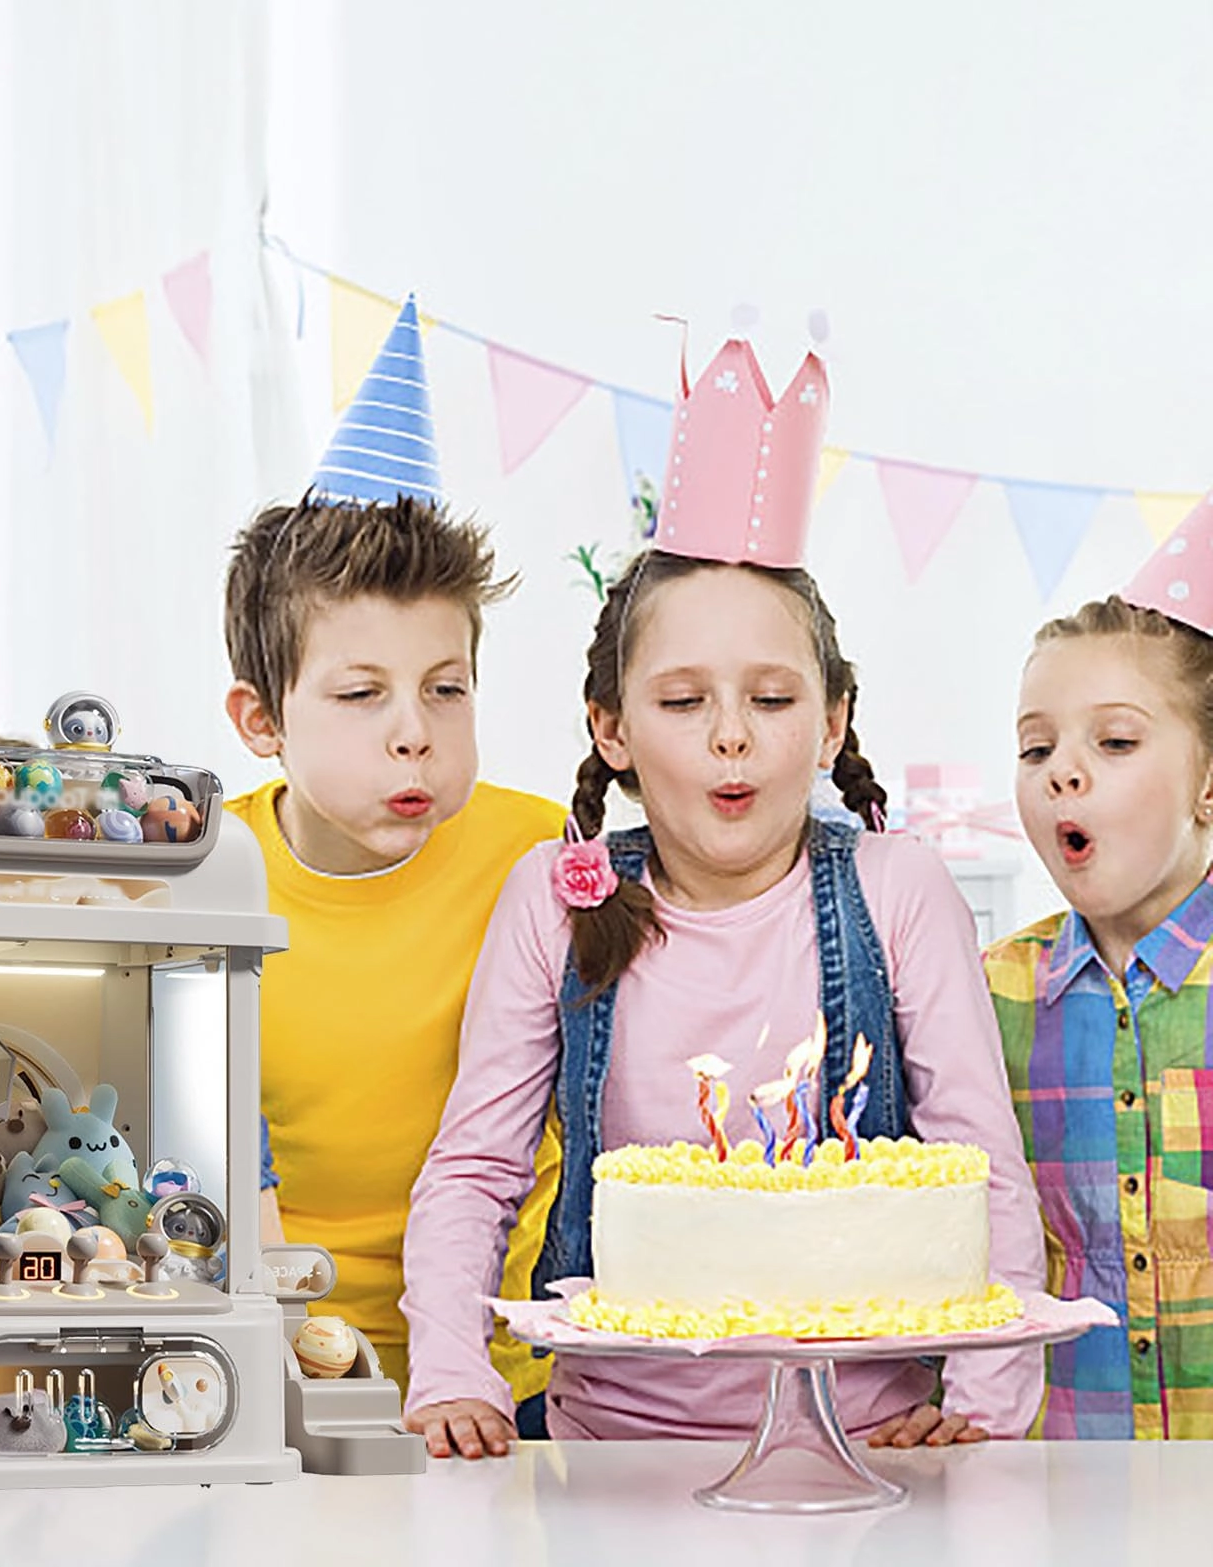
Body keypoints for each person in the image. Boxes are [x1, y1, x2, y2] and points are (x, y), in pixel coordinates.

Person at [401, 335, 1046, 1457]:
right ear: (612, 726)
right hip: (609, 1449)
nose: (733, 733)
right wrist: (455, 1371)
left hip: (872, 1443)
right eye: (684, 699)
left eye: (772, 696)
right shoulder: (555, 900)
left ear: (833, 719)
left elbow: (977, 1155)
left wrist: (983, 1417)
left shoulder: (896, 889)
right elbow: (476, 1165)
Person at [222, 297, 562, 1418]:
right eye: (361, 694)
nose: (412, 729)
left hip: (521, 1377)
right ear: (260, 719)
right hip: (272, 1380)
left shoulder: (538, 850)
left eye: (446, 688)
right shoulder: (197, 874)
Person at [986, 497, 1213, 1440]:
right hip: (1059, 1497)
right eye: (1037, 747)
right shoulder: (986, 994)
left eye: (1114, 742)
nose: (1061, 771)